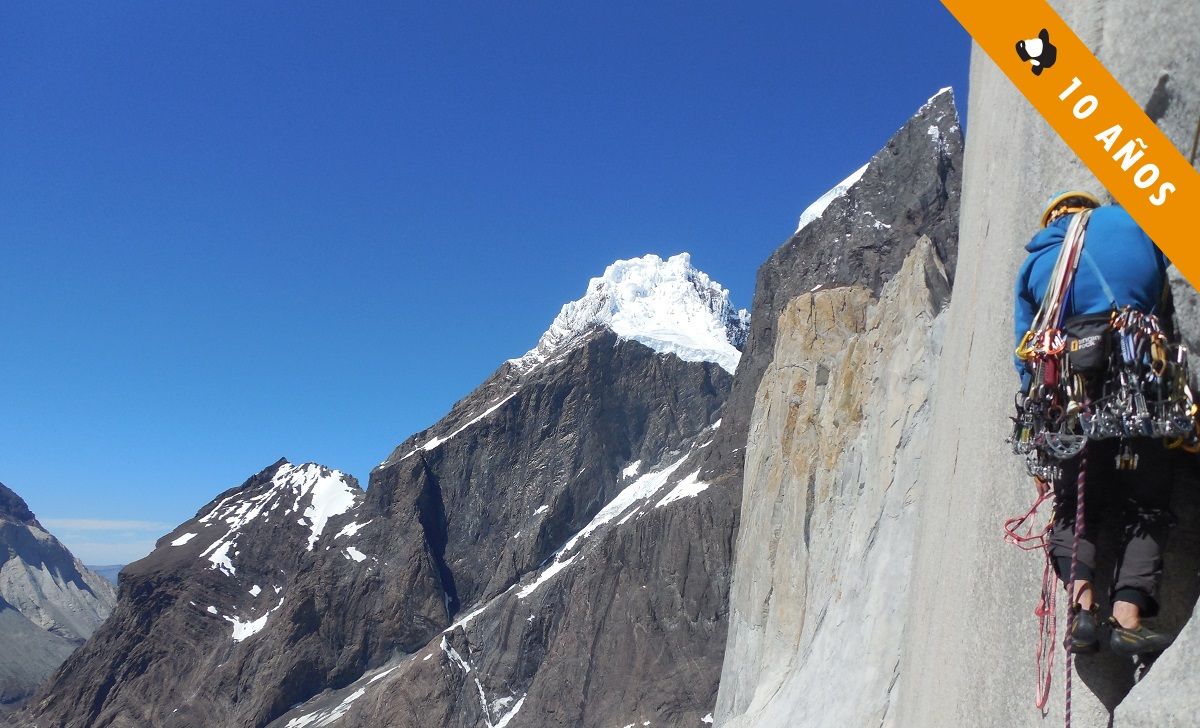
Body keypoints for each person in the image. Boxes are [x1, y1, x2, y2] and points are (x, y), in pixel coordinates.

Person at [1013, 190, 1175, 656]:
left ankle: (1082, 613)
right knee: (1147, 499)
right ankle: (1128, 616)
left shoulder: (1036, 262)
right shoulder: (1131, 224)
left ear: (1053, 222)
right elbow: (1164, 286)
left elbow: (1025, 351)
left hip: (1067, 390)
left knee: (1073, 505)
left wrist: (1039, 434)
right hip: (1137, 370)